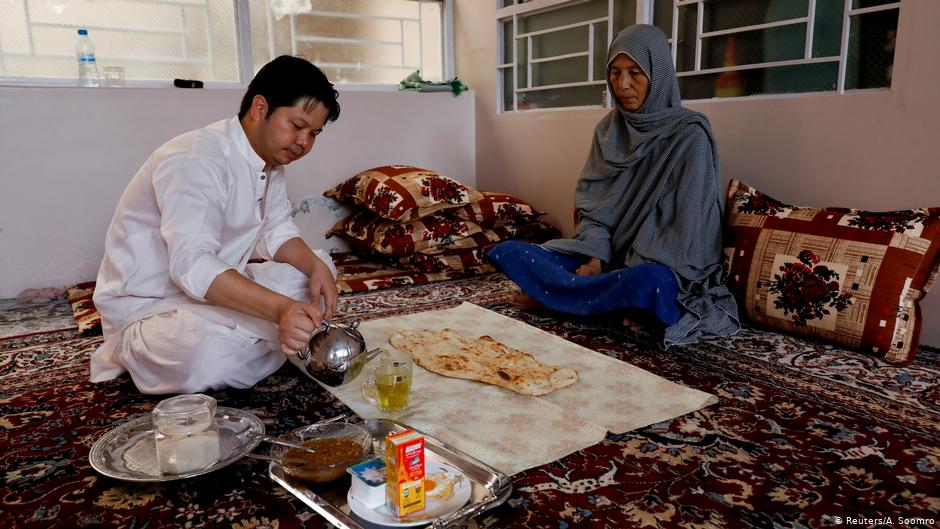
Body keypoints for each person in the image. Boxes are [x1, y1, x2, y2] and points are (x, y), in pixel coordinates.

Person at [90, 55, 342, 394]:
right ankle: (288, 337)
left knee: (320, 267)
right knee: (206, 359)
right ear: (259, 108)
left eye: (314, 134)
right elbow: (191, 264)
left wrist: (315, 268)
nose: (304, 143)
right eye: (297, 126)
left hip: (215, 294)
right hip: (152, 309)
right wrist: (281, 308)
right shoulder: (194, 158)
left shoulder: (269, 165)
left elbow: (277, 233)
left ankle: (281, 333)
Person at [487, 25, 740, 346]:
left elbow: (686, 227)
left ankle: (557, 300)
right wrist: (595, 259)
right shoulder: (609, 130)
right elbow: (596, 210)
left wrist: (625, 266)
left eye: (635, 73)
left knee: (650, 284)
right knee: (511, 252)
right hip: (607, 258)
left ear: (658, 74)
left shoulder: (690, 135)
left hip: (660, 261)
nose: (623, 85)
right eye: (615, 72)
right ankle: (594, 302)